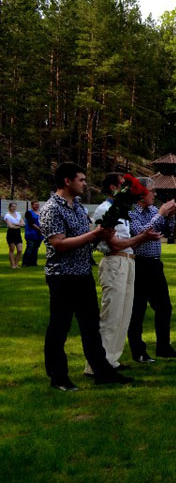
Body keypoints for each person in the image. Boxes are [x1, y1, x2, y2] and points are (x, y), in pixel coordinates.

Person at [41, 162, 130, 390]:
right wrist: (94, 234)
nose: (85, 183)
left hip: (82, 273)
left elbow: (88, 238)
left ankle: (102, 371)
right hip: (62, 276)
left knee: (91, 326)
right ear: (66, 181)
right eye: (81, 179)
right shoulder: (52, 208)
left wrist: (101, 234)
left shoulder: (79, 207)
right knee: (59, 327)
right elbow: (58, 244)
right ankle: (58, 377)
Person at [86, 174, 162, 377]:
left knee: (124, 313)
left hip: (128, 260)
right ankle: (97, 363)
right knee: (112, 313)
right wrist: (143, 237)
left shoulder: (122, 211)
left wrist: (142, 238)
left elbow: (127, 240)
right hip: (115, 260)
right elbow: (115, 243)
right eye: (124, 186)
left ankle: (112, 358)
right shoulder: (105, 210)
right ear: (113, 188)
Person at [126, 178, 176, 362]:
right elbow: (139, 232)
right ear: (141, 192)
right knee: (138, 310)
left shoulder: (152, 210)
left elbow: (168, 232)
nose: (155, 194)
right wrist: (160, 213)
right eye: (152, 191)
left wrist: (170, 215)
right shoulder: (130, 211)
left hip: (155, 264)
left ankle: (164, 347)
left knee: (164, 307)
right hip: (139, 264)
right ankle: (138, 351)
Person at [22, 199, 42, 267]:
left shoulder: (40, 213)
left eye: (38, 205)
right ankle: (25, 262)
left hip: (39, 234)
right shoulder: (29, 213)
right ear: (32, 205)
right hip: (31, 233)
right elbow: (31, 223)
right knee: (30, 247)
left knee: (36, 248)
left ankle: (33, 262)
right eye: (35, 205)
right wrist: (39, 229)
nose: (37, 206)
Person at [5, 202, 24, 269]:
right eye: (13, 206)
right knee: (12, 249)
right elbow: (10, 226)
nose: (14, 208)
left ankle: (16, 264)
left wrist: (15, 224)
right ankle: (13, 265)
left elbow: (23, 223)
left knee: (20, 250)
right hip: (11, 233)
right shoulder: (7, 215)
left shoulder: (18, 214)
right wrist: (18, 225)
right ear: (9, 207)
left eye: (15, 206)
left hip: (18, 233)